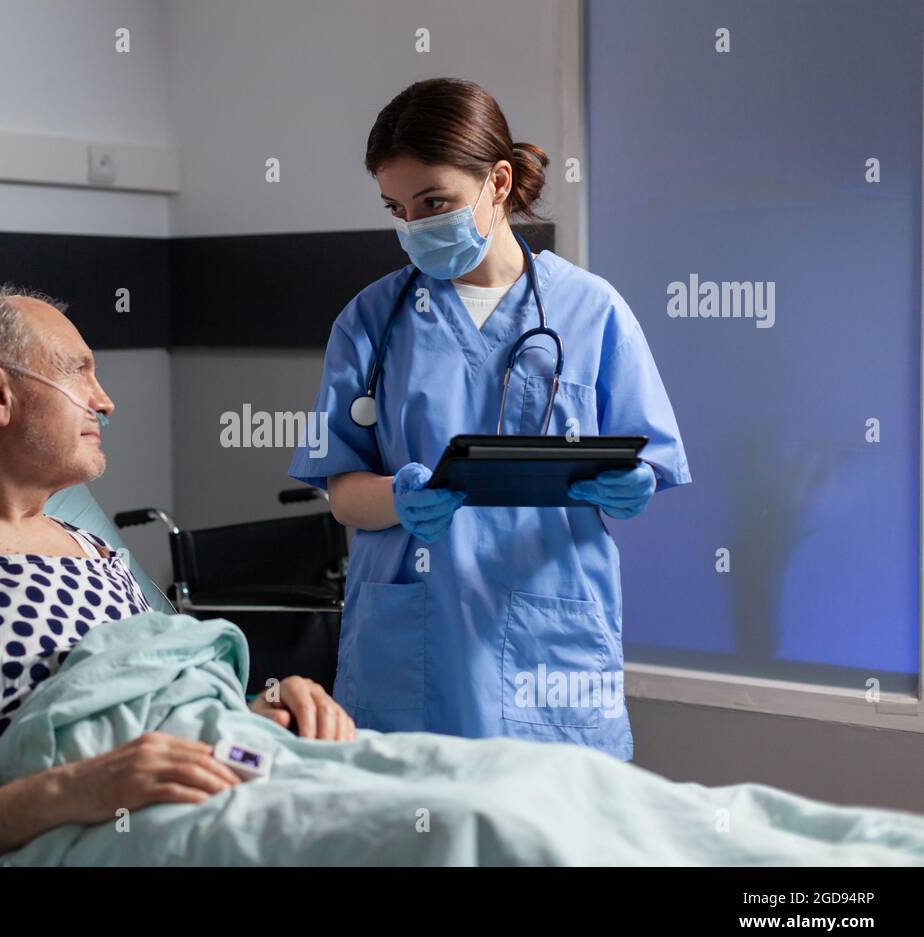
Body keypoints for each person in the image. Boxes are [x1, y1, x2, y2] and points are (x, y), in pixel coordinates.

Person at [0, 287, 355, 867]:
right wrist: (76, 791)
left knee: (438, 787)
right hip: (119, 838)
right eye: (79, 372)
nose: (104, 402)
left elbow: (159, 697)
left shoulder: (98, 553)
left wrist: (258, 710)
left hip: (222, 779)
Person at [288, 78, 691, 760]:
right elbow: (343, 494)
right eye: (398, 208)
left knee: (559, 835)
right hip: (413, 639)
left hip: (548, 631)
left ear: (497, 181)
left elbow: (645, 459)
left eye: (434, 202)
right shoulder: (372, 321)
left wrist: (636, 485)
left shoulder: (593, 311)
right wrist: (400, 498)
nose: (414, 226)